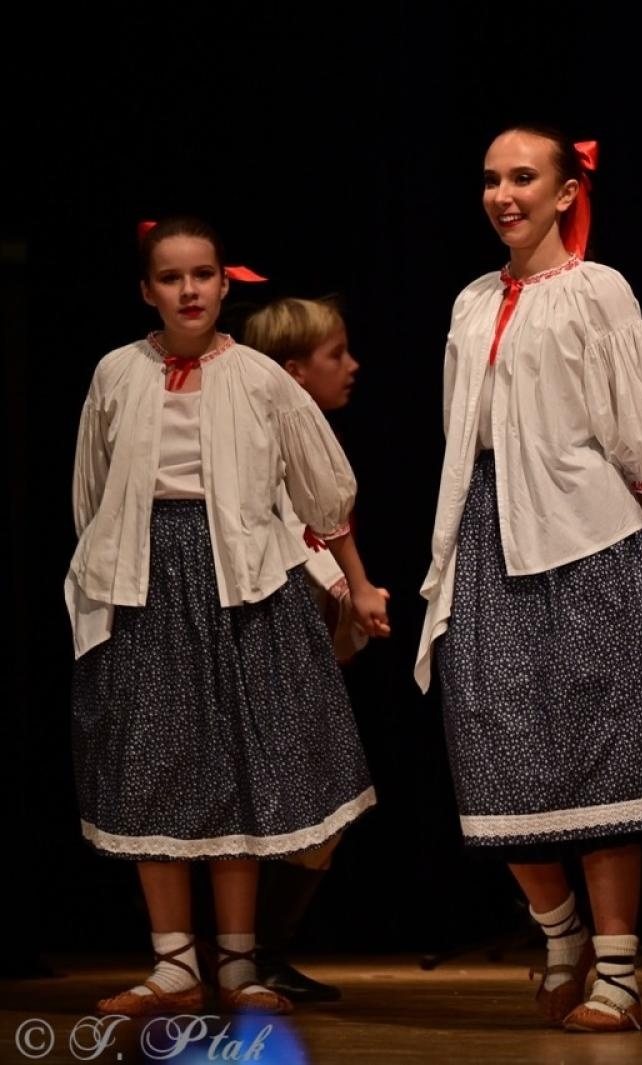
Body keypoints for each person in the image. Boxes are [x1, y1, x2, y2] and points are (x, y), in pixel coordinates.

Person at [414, 124, 642, 1033]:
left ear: (565, 192)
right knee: (494, 737)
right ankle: (559, 932)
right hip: (487, 525)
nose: (504, 194)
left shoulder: (596, 289)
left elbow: (638, 414)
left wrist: (640, 511)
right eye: (492, 179)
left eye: (523, 178)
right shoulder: (471, 301)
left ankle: (617, 969)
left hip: (584, 530)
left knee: (603, 747)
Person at [68, 217, 378, 1016]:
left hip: (241, 578)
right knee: (157, 763)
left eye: (202, 274)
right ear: (148, 290)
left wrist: (360, 583)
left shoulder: (259, 378)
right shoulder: (116, 373)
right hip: (146, 580)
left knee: (240, 764)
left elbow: (322, 486)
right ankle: (174, 963)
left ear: (224, 284)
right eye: (171, 278)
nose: (189, 290)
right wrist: (109, 573)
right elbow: (91, 494)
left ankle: (239, 962)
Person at [241, 296, 391, 1003]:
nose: (353, 366)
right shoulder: (256, 455)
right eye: (337, 355)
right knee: (297, 796)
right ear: (293, 373)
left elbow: (324, 536)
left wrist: (353, 593)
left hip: (304, 639)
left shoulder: (313, 452)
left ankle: (260, 950)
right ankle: (242, 953)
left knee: (324, 798)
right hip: (259, 637)